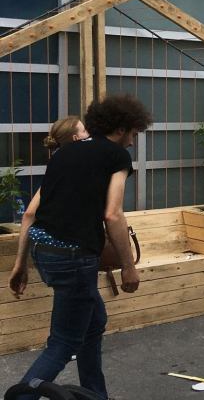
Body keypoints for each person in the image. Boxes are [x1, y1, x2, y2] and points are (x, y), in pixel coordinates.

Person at [8, 95, 151, 400]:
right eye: (134, 134)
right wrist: (128, 266)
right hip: (74, 259)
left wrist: (20, 263)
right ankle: (21, 396)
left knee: (93, 321)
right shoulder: (116, 157)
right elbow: (112, 214)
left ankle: (94, 394)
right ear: (123, 128)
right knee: (63, 342)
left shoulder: (65, 153)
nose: (132, 143)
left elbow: (32, 213)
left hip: (43, 252)